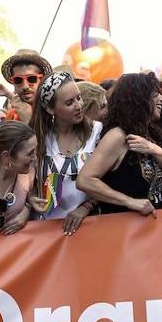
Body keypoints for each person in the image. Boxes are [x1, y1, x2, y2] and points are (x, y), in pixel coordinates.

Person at [78, 73, 162, 215]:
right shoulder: (118, 135)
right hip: (128, 231)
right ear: (138, 99)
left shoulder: (155, 133)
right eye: (155, 95)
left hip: (161, 227)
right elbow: (85, 180)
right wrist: (129, 201)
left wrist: (154, 149)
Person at [29, 72, 103, 234]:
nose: (78, 105)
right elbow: (22, 180)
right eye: (69, 102)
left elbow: (109, 179)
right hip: (46, 231)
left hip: (89, 227)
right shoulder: (37, 138)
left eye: (78, 98)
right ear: (50, 109)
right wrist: (31, 197)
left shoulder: (97, 132)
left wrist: (86, 207)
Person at [0, 46, 52, 124]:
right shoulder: (11, 116)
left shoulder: (54, 112)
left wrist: (29, 121)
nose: (25, 86)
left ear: (42, 80)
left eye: (32, 79)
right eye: (18, 80)